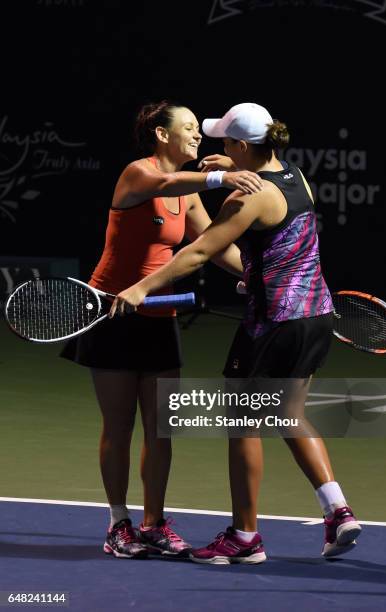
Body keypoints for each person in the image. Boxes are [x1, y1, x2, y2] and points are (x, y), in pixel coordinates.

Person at [109, 102, 362, 563]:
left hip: (274, 323)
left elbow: (200, 251)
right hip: (316, 314)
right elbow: (272, 226)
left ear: (243, 145)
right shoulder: (295, 176)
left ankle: (245, 537)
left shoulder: (246, 198)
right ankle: (337, 510)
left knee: (242, 422)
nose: (218, 147)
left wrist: (141, 288)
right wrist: (233, 168)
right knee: (288, 413)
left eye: (227, 142)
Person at [61, 100, 263, 559]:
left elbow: (213, 246)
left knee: (161, 429)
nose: (198, 136)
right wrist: (222, 177)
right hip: (111, 314)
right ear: (161, 135)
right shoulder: (138, 174)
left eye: (198, 129)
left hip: (159, 320)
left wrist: (255, 277)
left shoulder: (187, 193)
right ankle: (118, 524)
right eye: (189, 128)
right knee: (119, 425)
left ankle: (153, 523)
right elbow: (165, 180)